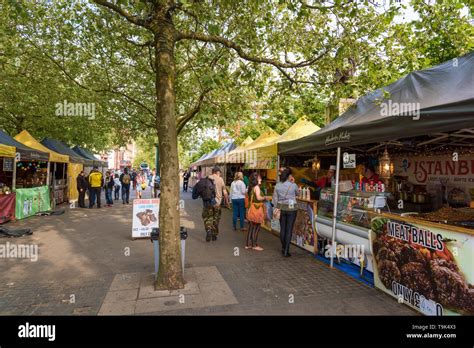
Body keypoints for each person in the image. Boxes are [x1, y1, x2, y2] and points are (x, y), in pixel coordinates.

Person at [192, 166, 227, 242]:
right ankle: (214, 234)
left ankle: (208, 230)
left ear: (212, 172)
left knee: (207, 217)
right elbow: (225, 192)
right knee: (216, 219)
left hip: (207, 202)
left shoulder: (206, 179)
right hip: (217, 203)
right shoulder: (220, 179)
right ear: (218, 172)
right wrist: (227, 201)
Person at [273, 169, 299, 257]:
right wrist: (293, 183)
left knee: (283, 229)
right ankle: (286, 250)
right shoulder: (293, 185)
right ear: (289, 176)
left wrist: (276, 208)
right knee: (289, 230)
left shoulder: (277, 185)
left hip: (281, 208)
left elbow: (275, 199)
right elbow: (298, 193)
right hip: (292, 210)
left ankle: (283, 247)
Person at [246, 172, 271, 251]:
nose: (261, 179)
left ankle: (248, 244)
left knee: (251, 227)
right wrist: (265, 197)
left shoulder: (251, 187)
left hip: (252, 208)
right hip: (257, 209)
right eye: (259, 178)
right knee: (256, 227)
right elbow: (259, 197)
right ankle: (254, 245)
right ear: (256, 179)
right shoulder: (256, 187)